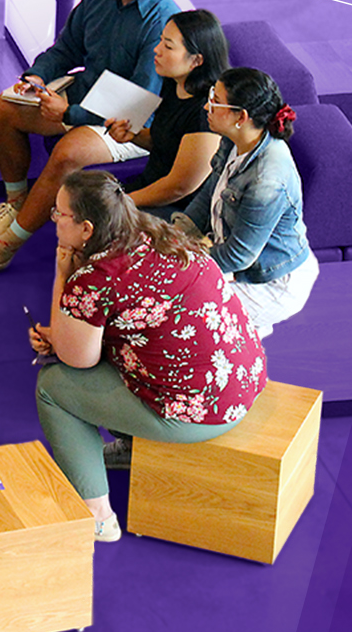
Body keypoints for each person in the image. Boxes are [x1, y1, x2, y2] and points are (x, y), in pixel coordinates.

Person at [30, 170, 266, 542]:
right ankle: (131, 446)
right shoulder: (158, 233)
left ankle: (98, 516)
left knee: (53, 385)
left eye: (60, 214)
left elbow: (76, 359)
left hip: (199, 413)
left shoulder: (93, 279)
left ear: (87, 229)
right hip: (243, 380)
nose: (54, 219)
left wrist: (63, 275)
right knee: (104, 351)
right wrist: (65, 331)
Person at [0, 4, 224, 279]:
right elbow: (169, 143)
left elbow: (180, 186)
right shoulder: (173, 86)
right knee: (74, 209)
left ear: (196, 60)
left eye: (168, 46)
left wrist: (121, 202)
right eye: (160, 40)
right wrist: (136, 136)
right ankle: (15, 232)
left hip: (175, 207)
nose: (156, 49)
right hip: (150, 184)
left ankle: (1, 252)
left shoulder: (203, 114)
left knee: (86, 222)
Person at [172, 67, 319, 338]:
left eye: (216, 101)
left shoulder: (268, 180)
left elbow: (238, 256)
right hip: (234, 259)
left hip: (270, 281)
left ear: (241, 116)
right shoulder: (235, 139)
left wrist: (180, 263)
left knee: (177, 309)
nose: (207, 106)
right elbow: (208, 194)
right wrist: (175, 234)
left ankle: (243, 336)